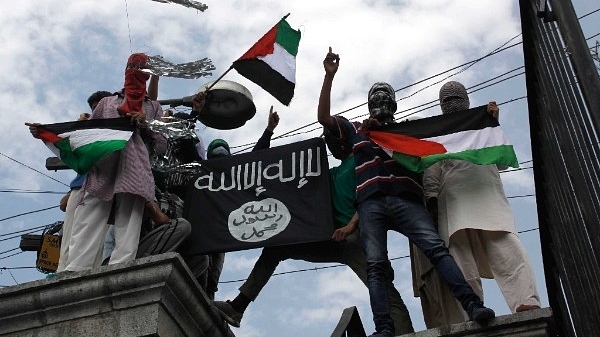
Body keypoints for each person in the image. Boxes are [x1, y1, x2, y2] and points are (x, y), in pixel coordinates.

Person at [317, 48, 495, 337]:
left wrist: (481, 119)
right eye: (375, 95)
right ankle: (384, 329)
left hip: (406, 200)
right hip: (371, 204)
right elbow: (324, 117)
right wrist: (329, 76)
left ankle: (473, 307)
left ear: (395, 105)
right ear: (368, 104)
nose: (380, 100)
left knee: (437, 250)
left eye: (385, 95)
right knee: (375, 266)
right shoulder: (357, 133)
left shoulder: (410, 132)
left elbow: (449, 137)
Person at [213, 119, 415, 334]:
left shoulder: (361, 161)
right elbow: (265, 168)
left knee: (383, 289)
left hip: (358, 238)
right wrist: (305, 151)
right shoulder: (331, 174)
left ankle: (407, 332)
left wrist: (351, 224)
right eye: (328, 140)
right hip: (331, 238)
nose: (331, 143)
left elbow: (374, 195)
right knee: (277, 248)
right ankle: (238, 306)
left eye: (334, 137)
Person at [413, 81, 540, 326]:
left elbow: (501, 159)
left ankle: (526, 301)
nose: (453, 104)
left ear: (467, 100)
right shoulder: (440, 131)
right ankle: (470, 311)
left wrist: (493, 122)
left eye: (456, 98)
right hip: (454, 197)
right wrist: (431, 199)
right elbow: (432, 168)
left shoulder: (483, 122)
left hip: (486, 190)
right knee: (461, 261)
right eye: (448, 100)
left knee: (506, 247)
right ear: (441, 106)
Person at [61, 53, 166, 272]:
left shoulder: (153, 107)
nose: (135, 70)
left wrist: (145, 124)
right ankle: (75, 270)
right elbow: (88, 135)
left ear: (147, 75)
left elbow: (161, 146)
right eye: (132, 66)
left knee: (128, 224)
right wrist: (52, 134)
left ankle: (119, 271)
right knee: (89, 218)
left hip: (134, 170)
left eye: (140, 67)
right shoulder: (106, 103)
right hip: (103, 168)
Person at [200, 106, 280, 300]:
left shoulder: (234, 175)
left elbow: (254, 157)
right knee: (201, 267)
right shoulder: (201, 174)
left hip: (222, 232)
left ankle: (208, 297)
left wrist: (269, 131)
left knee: (213, 274)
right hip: (203, 230)